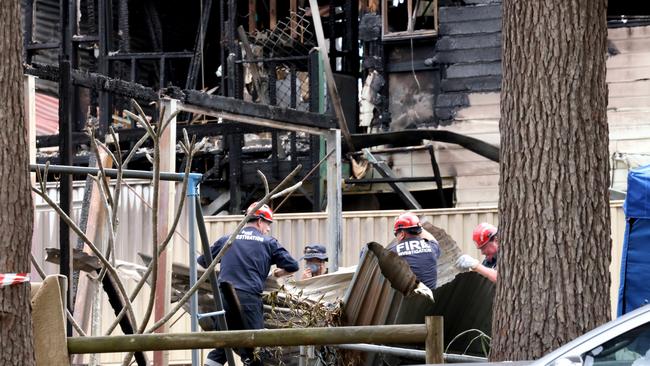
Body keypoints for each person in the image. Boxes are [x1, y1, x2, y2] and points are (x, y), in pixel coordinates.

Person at [197, 202, 299, 366]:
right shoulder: (268, 242)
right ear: (259, 221)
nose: (268, 229)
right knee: (255, 351)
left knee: (222, 347)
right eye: (268, 224)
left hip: (223, 300)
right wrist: (278, 273)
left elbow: (203, 261)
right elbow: (293, 266)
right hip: (248, 301)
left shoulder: (227, 240)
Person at [388, 212, 441, 292]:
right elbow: (433, 241)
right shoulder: (432, 248)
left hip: (405, 302)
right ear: (419, 230)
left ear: (402, 234)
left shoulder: (392, 252)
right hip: (429, 301)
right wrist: (416, 225)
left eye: (396, 234)